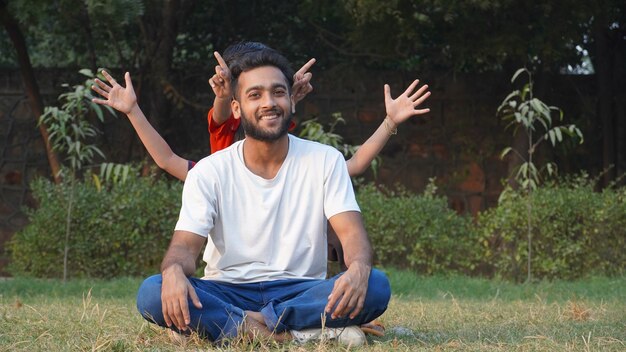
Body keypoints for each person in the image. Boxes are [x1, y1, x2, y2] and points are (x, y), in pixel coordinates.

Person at [90, 45, 426, 345]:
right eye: (255, 95)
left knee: (376, 285)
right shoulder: (208, 171)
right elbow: (182, 248)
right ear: (236, 108)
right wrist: (174, 272)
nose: (269, 102)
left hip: (299, 289)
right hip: (228, 289)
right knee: (152, 292)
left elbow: (353, 235)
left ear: (292, 99)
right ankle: (297, 332)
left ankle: (241, 328)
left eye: (278, 92)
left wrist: (358, 268)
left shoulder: (325, 160)